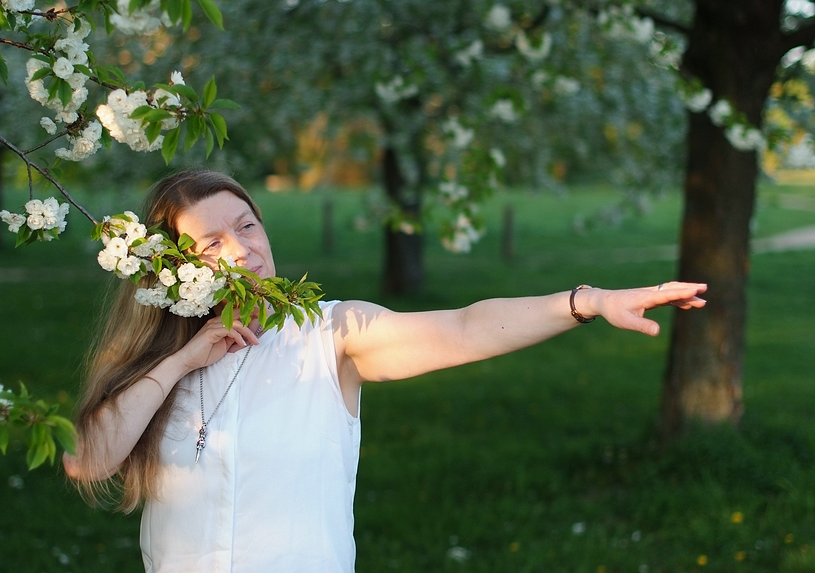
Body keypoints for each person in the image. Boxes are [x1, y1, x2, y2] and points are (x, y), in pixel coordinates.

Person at [63, 170, 707, 573]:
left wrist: (585, 302)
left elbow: (465, 326)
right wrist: (178, 362)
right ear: (172, 270)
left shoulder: (328, 335)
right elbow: (88, 460)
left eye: (248, 225)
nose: (244, 250)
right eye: (211, 243)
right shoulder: (153, 371)